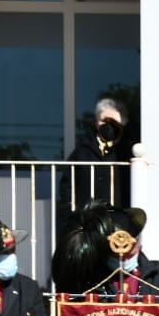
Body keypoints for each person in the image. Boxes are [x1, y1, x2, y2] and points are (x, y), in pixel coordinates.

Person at [58, 98, 135, 236]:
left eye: (114, 122)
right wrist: (71, 214)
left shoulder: (126, 153)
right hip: (86, 226)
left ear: (122, 125)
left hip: (117, 226)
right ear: (97, 123)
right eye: (104, 120)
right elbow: (67, 186)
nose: (109, 126)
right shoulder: (82, 151)